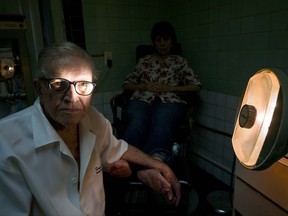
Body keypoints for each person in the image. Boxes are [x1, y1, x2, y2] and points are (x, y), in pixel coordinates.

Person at [0, 41, 181, 216]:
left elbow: (118, 148)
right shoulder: (6, 140)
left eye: (84, 85)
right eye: (59, 85)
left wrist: (156, 166)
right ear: (39, 88)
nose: (73, 98)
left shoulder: (92, 118)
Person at [122, 21, 201, 163]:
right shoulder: (144, 61)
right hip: (142, 98)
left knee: (162, 116)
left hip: (170, 100)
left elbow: (196, 86)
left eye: (166, 39)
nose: (162, 43)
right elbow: (126, 85)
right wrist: (144, 86)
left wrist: (171, 88)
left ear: (172, 41)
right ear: (154, 42)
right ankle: (127, 158)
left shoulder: (179, 62)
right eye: (158, 40)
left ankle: (156, 160)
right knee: (137, 118)